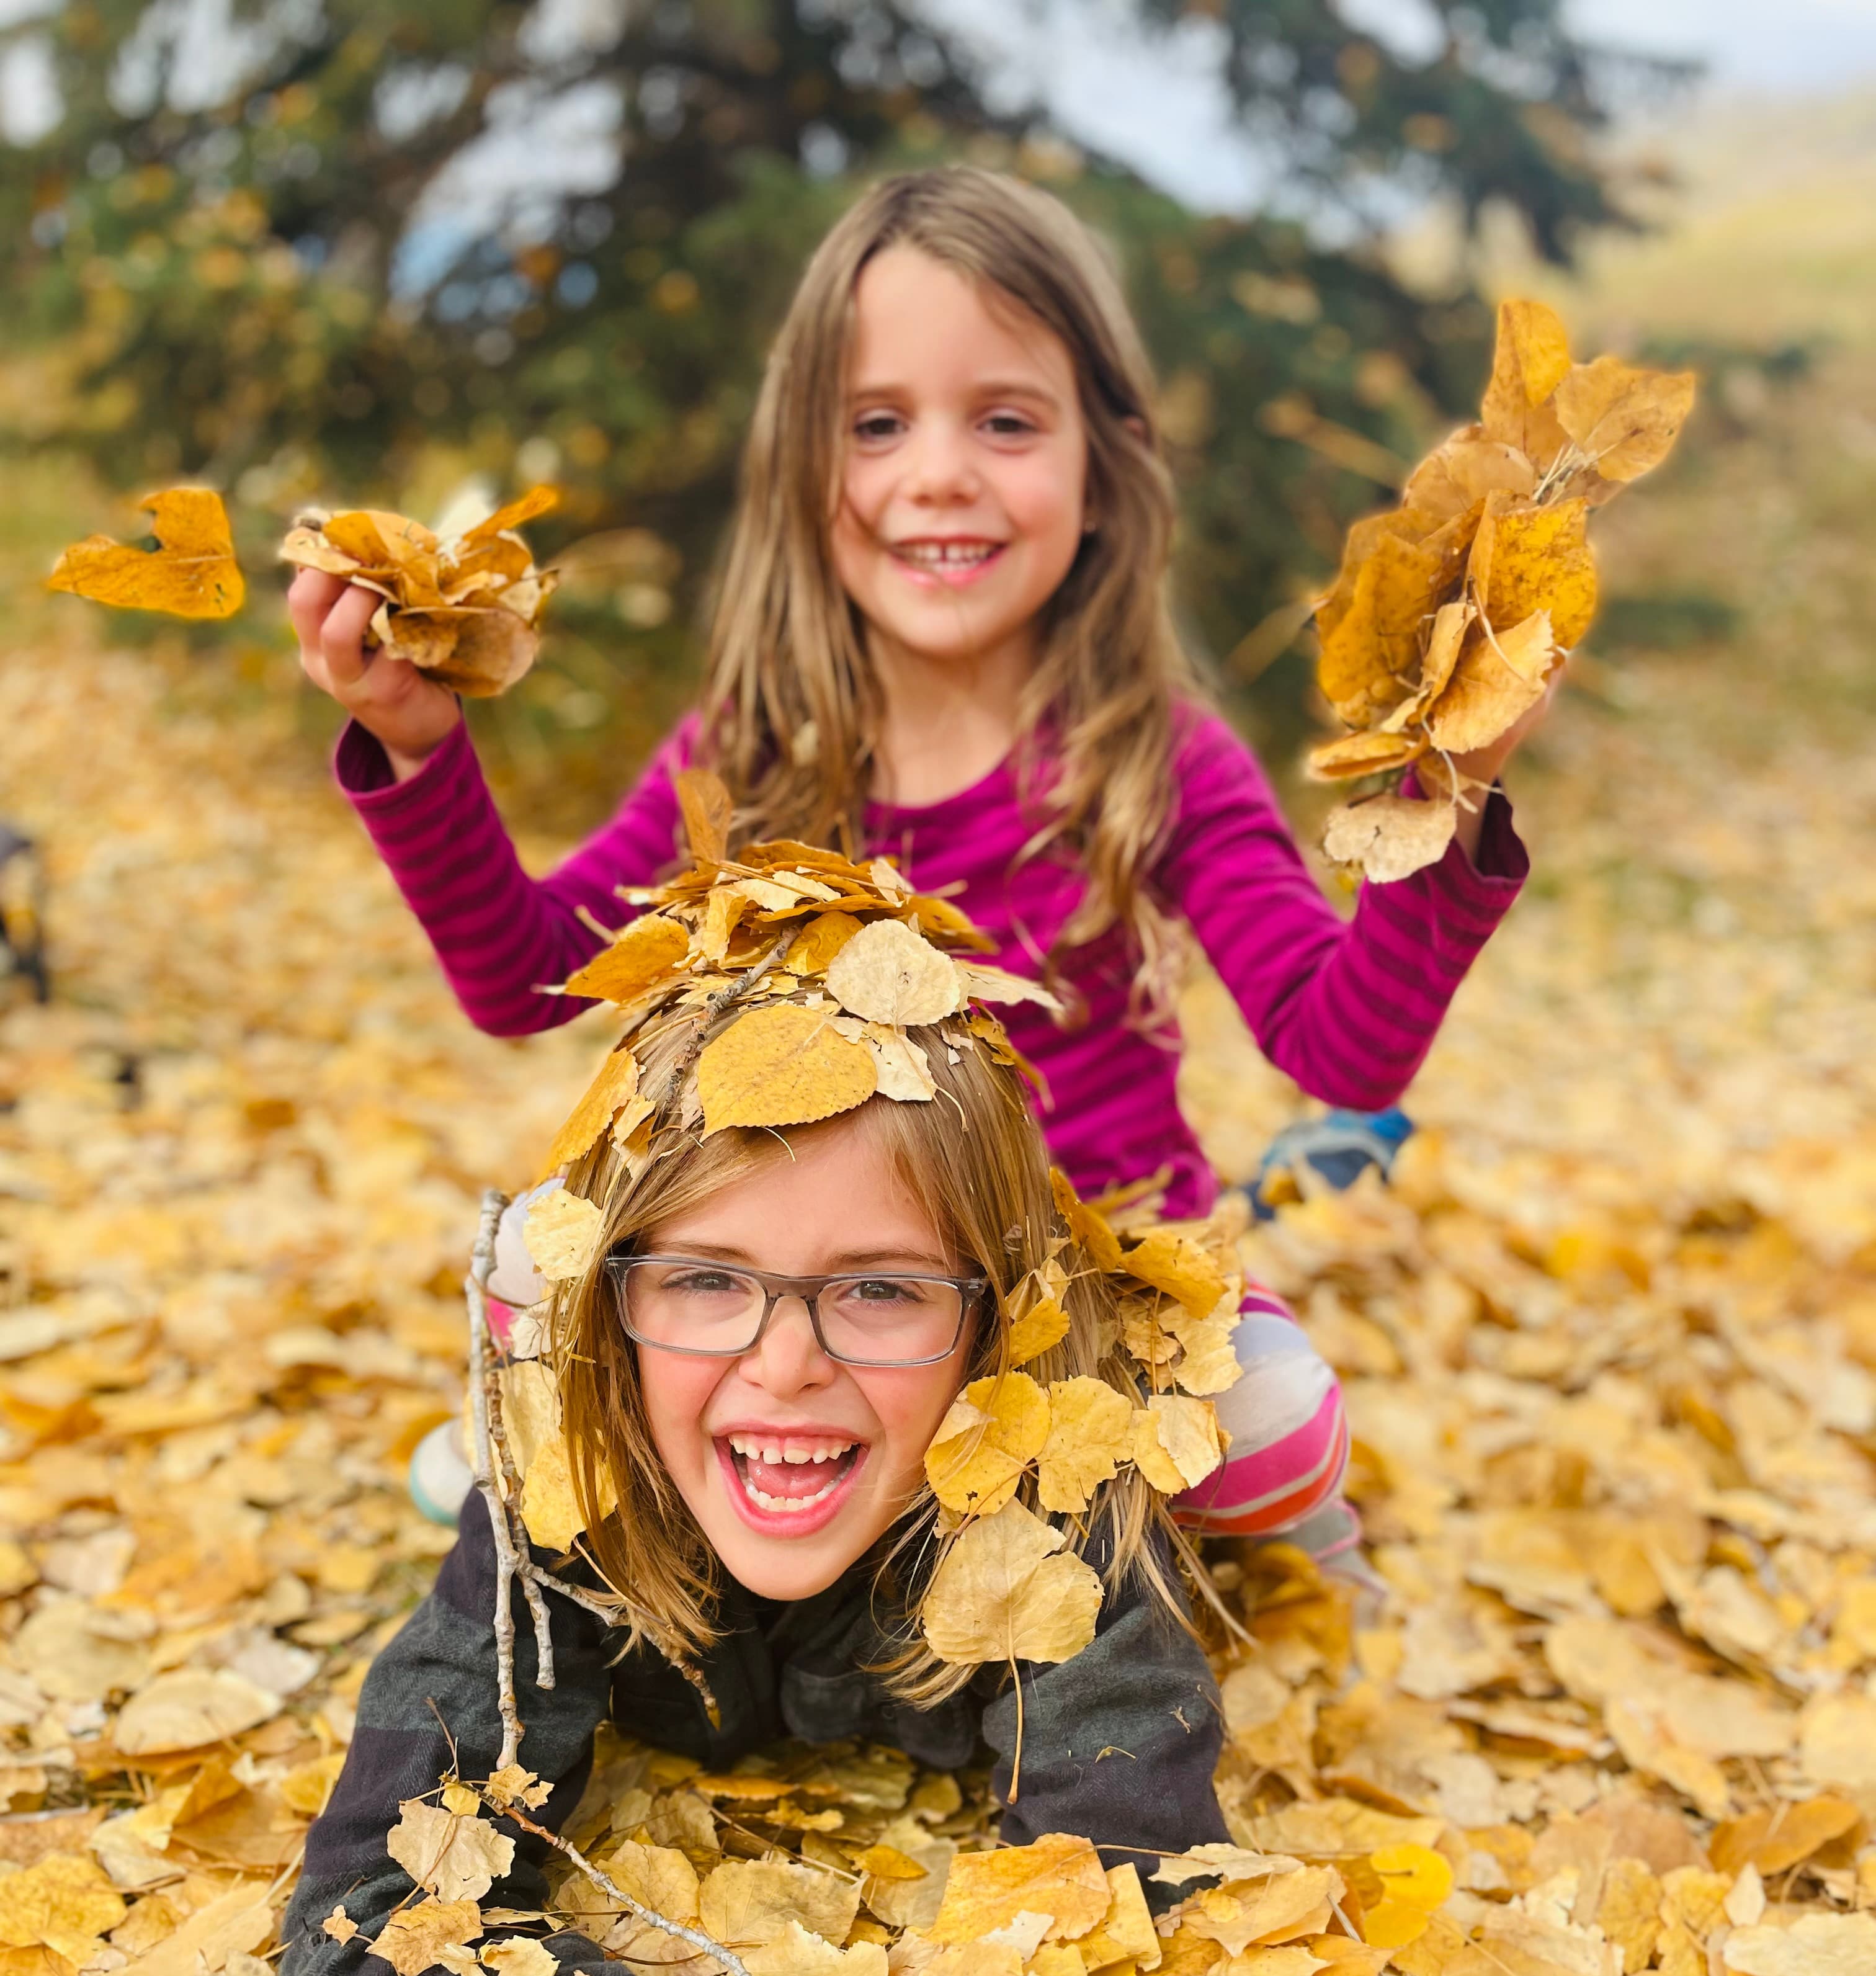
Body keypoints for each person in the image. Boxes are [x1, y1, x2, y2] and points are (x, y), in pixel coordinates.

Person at [295, 166, 1539, 1550]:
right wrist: (416, 749)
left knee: (1278, 1421)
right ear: (802, 474)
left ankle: (1167, 1546)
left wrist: (1452, 798)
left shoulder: (1157, 756)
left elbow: (1340, 1050)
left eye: (1005, 422)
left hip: (1094, 1281)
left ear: (1103, 464)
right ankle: (704, 1491)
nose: (937, 472)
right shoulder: (752, 755)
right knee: (539, 1253)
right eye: (877, 425)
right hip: (821, 1309)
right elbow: (531, 981)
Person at [282, 847, 1243, 1976]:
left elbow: (1138, 1964)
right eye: (708, 1282)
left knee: (1279, 1429)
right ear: (615, 1302)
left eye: (876, 1290)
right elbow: (371, 1927)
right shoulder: (564, 1511)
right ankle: (484, 1412)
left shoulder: (1056, 1524)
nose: (784, 1360)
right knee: (497, 1476)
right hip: (604, 1467)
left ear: (989, 1325)